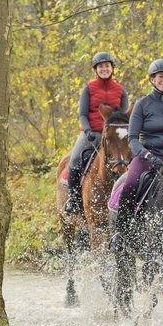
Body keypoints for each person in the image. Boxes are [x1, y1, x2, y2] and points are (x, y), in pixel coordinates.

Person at [109, 58, 163, 251]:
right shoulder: (142, 105)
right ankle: (121, 232)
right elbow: (132, 138)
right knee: (130, 184)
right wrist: (147, 156)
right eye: (161, 77)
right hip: (147, 156)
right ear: (152, 79)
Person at [64, 52, 129, 214]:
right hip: (91, 133)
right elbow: (82, 114)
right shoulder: (89, 88)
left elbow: (123, 116)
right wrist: (87, 131)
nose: (104, 69)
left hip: (114, 137)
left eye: (107, 66)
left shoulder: (120, 90)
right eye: (101, 66)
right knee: (74, 162)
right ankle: (74, 200)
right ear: (96, 70)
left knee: (128, 161)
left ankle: (127, 200)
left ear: (112, 68)